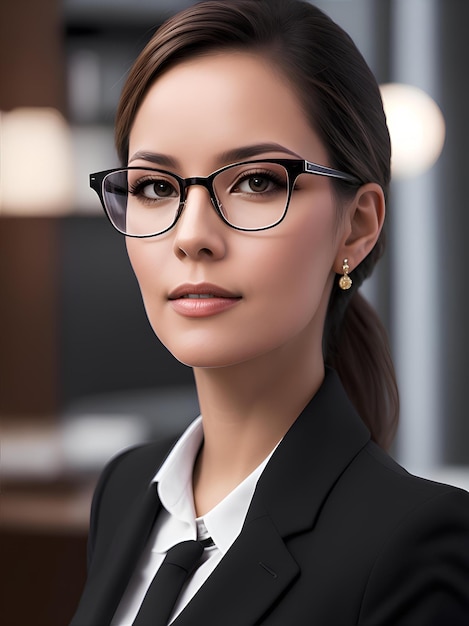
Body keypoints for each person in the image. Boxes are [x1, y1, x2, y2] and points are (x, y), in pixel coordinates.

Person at [70, 1, 469, 624]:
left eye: (256, 181)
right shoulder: (125, 490)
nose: (192, 235)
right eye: (155, 187)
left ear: (356, 226)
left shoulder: (414, 542)